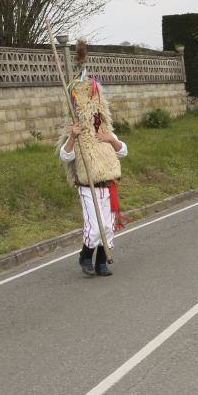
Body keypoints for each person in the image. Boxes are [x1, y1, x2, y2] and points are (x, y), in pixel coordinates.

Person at [58, 74, 128, 277]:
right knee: (94, 228)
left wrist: (111, 140)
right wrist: (72, 136)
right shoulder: (79, 134)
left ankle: (102, 262)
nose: (95, 118)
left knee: (107, 227)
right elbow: (65, 155)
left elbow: (123, 151)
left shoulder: (107, 133)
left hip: (109, 186)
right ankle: (85, 256)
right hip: (88, 187)